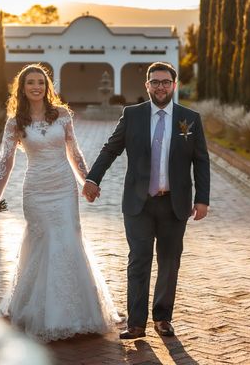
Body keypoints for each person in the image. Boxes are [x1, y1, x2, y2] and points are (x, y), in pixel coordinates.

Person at [0, 63, 119, 341]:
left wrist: (88, 181)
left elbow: (75, 152)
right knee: (42, 243)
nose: (36, 87)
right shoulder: (15, 123)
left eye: (41, 82)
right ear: (22, 88)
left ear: (48, 87)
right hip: (35, 191)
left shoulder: (62, 116)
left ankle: (76, 312)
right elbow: (5, 163)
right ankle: (39, 311)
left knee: (68, 240)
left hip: (63, 188)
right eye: (30, 82)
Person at [82, 61, 210, 339]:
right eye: (155, 82)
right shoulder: (132, 115)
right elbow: (111, 149)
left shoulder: (190, 118)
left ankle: (163, 319)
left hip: (174, 204)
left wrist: (202, 199)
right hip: (138, 203)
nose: (160, 87)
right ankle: (136, 324)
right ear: (147, 85)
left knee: (169, 262)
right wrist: (93, 178)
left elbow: (201, 161)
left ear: (173, 85)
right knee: (138, 260)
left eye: (165, 82)